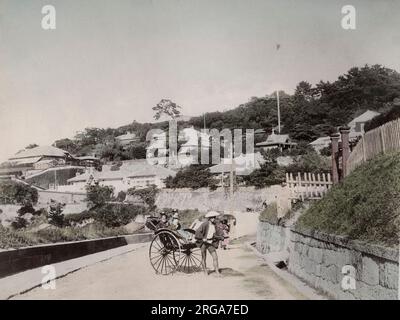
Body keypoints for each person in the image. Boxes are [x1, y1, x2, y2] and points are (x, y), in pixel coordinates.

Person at [195, 211, 224, 276]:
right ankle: (205, 271)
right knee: (204, 257)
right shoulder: (205, 224)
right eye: (213, 218)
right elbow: (197, 232)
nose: (214, 219)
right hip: (204, 243)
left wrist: (220, 237)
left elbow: (214, 235)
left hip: (210, 243)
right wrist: (202, 238)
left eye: (215, 218)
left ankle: (217, 272)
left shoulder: (214, 225)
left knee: (215, 257)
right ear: (210, 218)